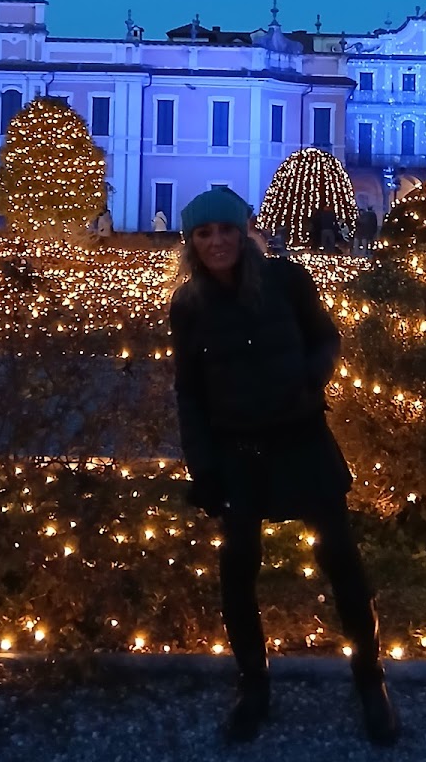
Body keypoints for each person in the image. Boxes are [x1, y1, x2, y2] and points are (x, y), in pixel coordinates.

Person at [169, 188, 398, 746]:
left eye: (224, 229)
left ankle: (371, 682)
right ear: (192, 244)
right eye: (204, 234)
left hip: (300, 440)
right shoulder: (189, 305)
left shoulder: (286, 281)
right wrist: (204, 469)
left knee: (342, 561)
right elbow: (190, 394)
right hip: (238, 451)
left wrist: (306, 384)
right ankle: (253, 685)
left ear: (243, 230)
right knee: (238, 570)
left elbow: (326, 339)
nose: (217, 241)